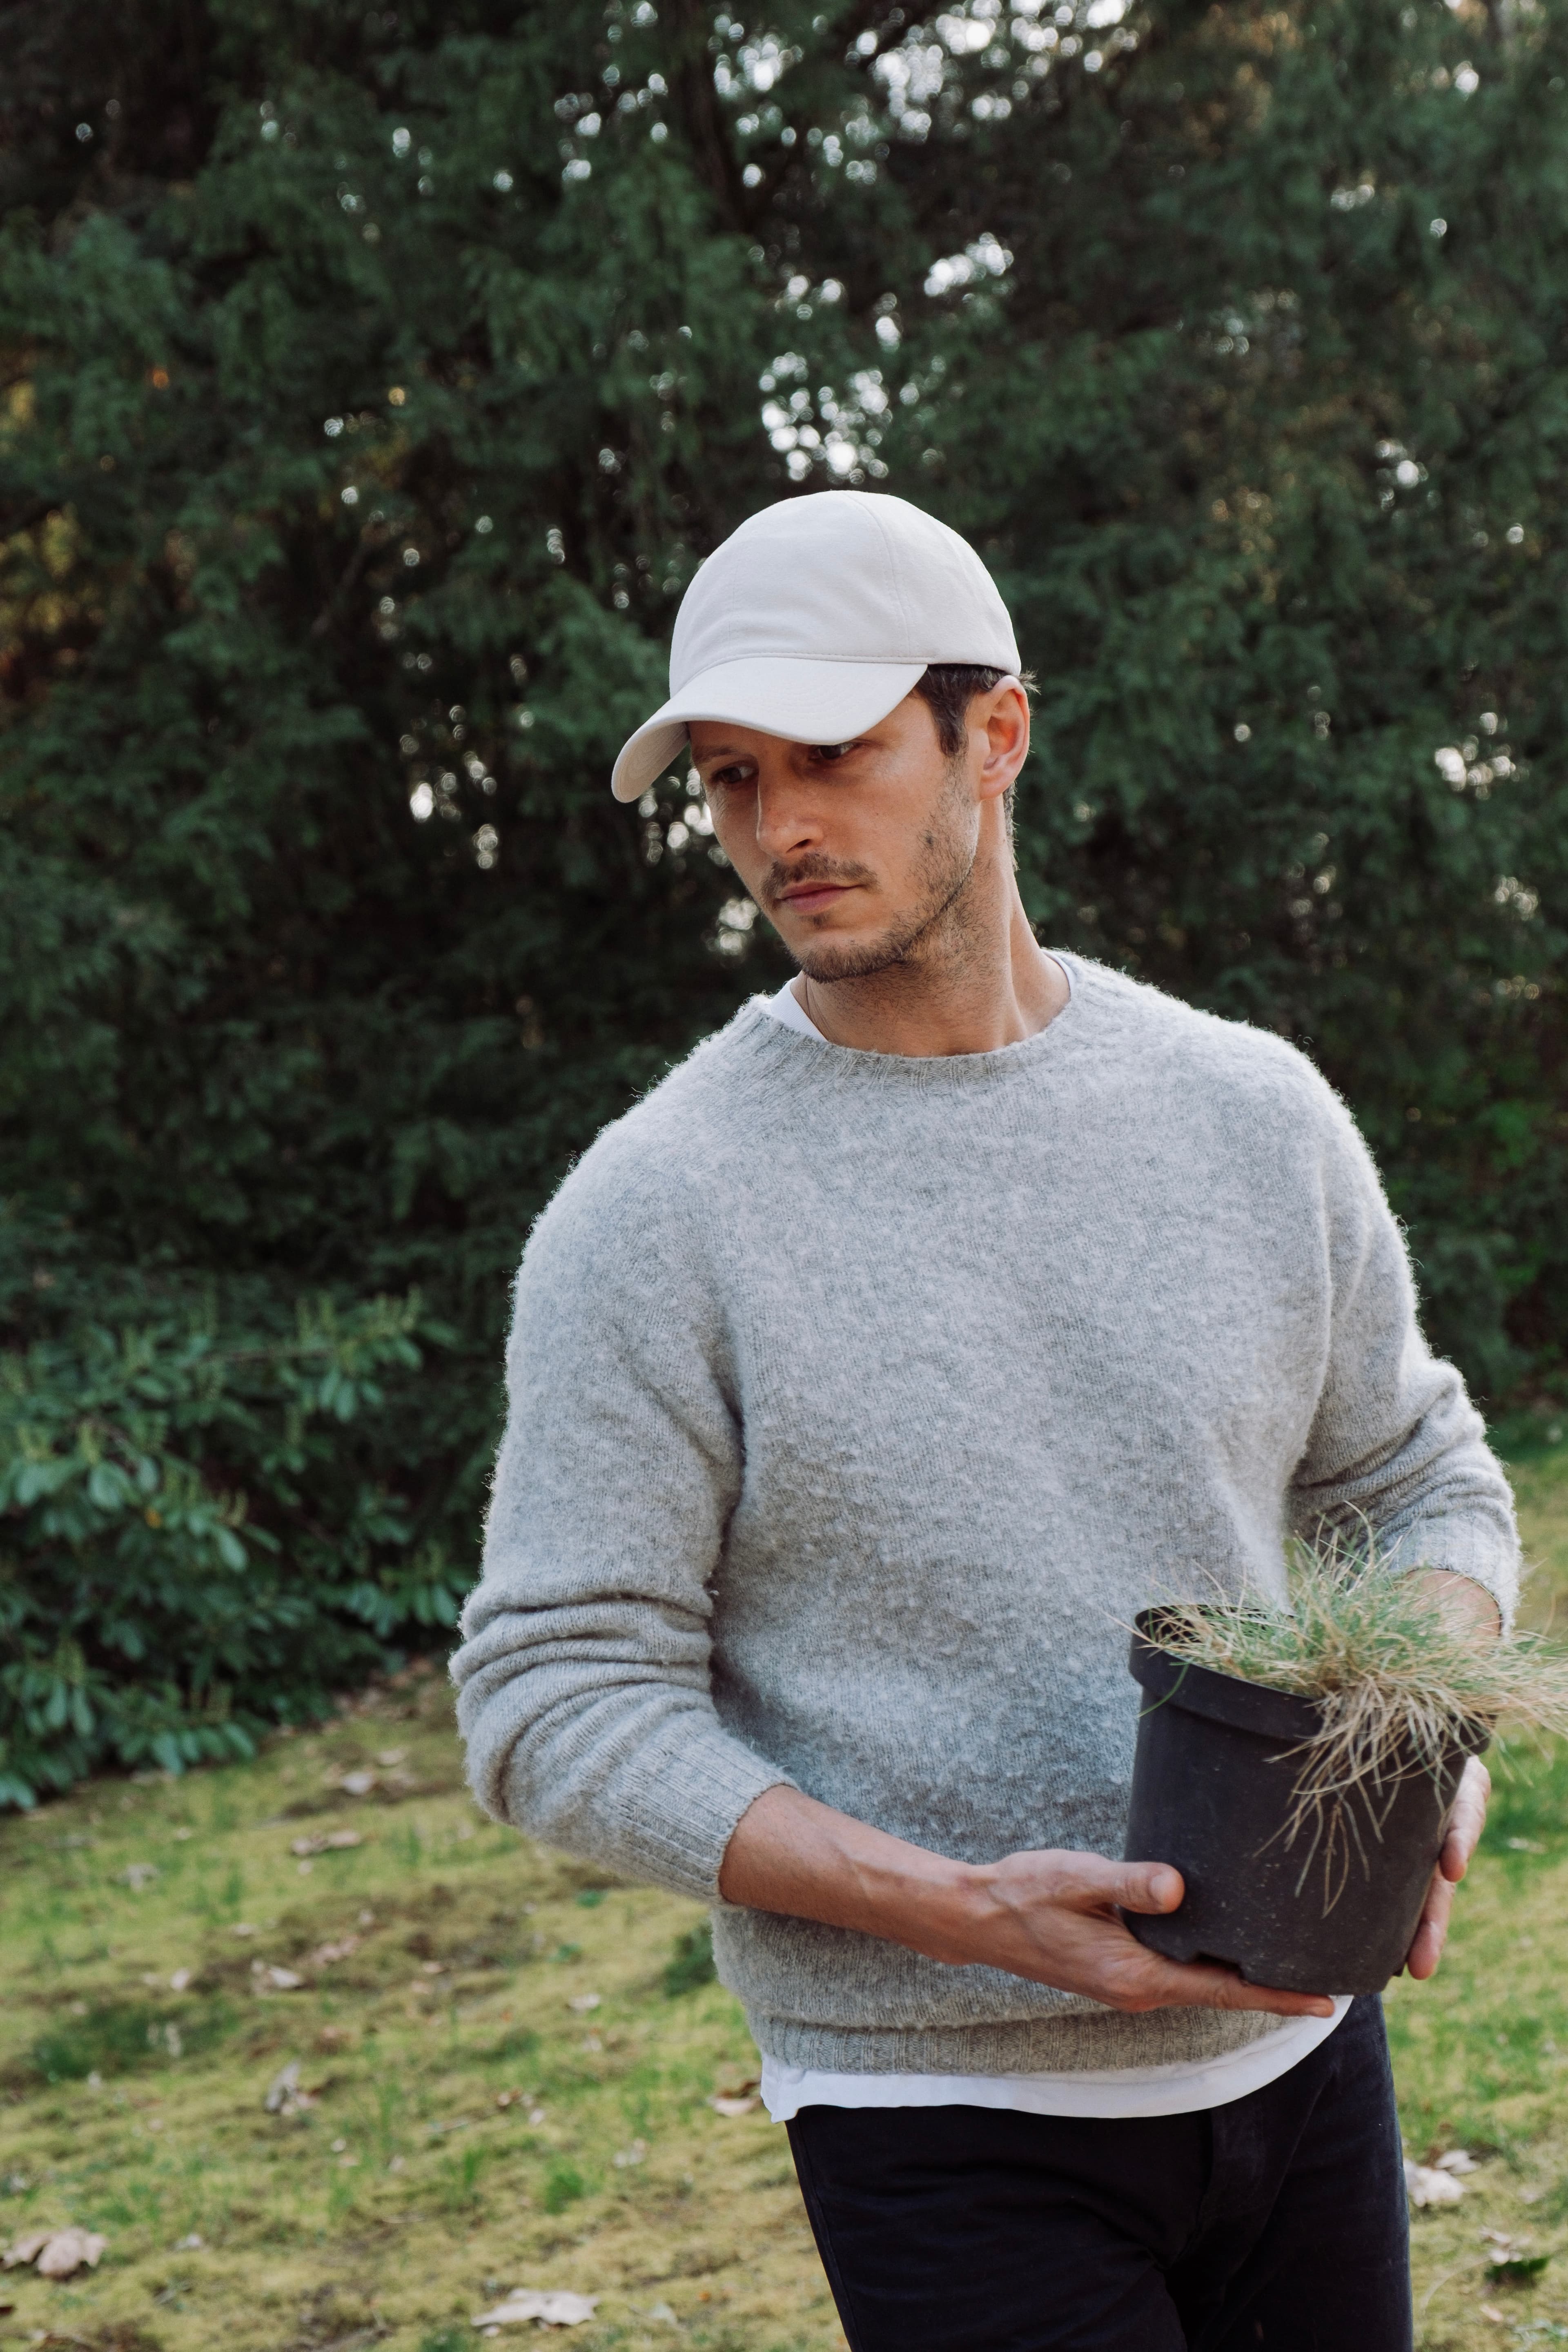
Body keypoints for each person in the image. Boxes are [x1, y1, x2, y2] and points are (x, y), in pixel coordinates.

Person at [452, 491, 1517, 2351]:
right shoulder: (658, 1212)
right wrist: (964, 1910)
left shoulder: (1250, 1116)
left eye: (835, 757)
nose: (777, 829)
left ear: (993, 734)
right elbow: (554, 1696)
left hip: (1305, 2056)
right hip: (937, 2119)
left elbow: (1416, 1477)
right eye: (728, 780)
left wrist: (1415, 1735)